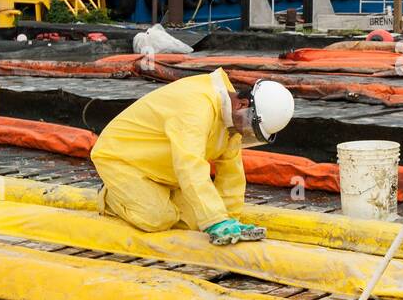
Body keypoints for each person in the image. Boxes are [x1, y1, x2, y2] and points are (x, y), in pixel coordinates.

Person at [91, 71, 294, 244]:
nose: (247, 133)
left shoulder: (231, 120)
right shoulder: (197, 107)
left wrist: (231, 220)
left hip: (160, 169)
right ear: (242, 105)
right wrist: (215, 220)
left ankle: (152, 195)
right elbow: (190, 165)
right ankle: (109, 197)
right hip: (121, 158)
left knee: (197, 220)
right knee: (157, 218)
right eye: (251, 127)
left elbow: (232, 174)